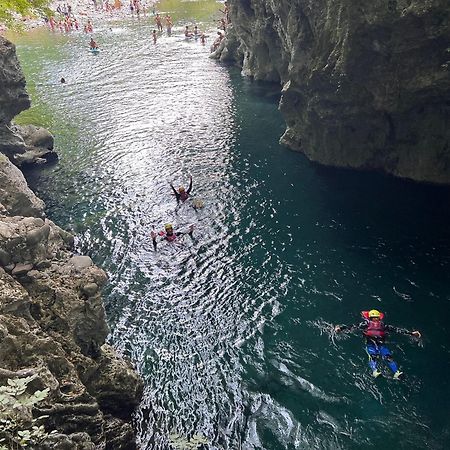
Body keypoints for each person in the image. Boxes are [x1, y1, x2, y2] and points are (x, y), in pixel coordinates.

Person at [334, 309, 421, 379]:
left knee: (388, 357)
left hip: (381, 345)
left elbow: (397, 330)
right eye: (374, 318)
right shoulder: (365, 324)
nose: (376, 320)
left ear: (379, 318)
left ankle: (396, 373)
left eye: (377, 318)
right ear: (370, 318)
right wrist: (340, 328)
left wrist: (411, 333)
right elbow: (353, 326)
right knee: (373, 356)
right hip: (370, 344)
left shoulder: (384, 326)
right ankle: (375, 371)